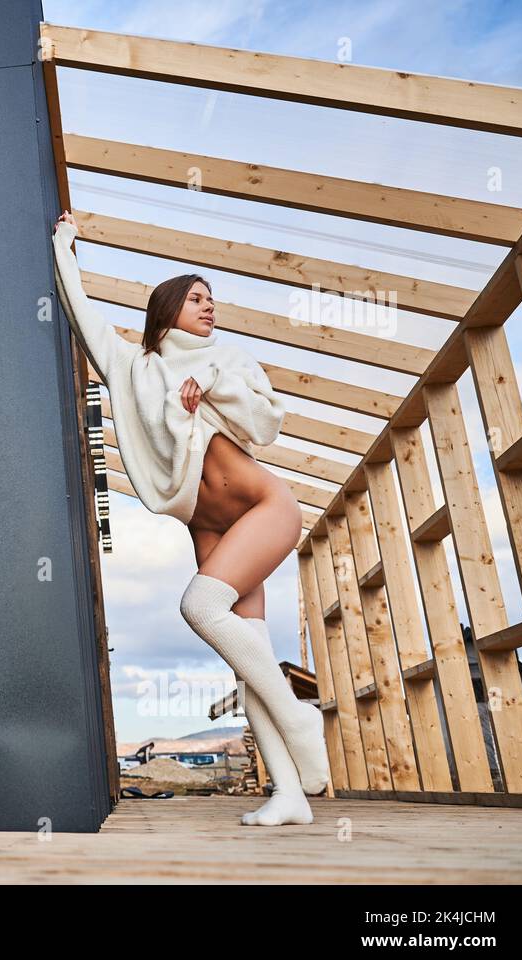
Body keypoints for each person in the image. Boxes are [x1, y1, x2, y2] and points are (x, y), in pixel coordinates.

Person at [53, 210, 330, 826]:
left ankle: (297, 716)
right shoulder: (131, 368)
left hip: (262, 506)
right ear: (168, 307)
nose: (210, 307)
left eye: (213, 299)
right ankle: (289, 796)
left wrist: (212, 389)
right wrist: (63, 245)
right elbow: (81, 314)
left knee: (199, 607)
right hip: (208, 525)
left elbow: (267, 424)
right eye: (198, 298)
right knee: (248, 654)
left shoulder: (226, 359)